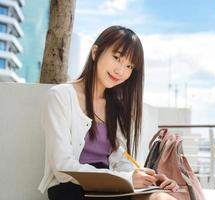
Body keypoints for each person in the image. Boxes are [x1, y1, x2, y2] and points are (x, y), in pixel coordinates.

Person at [38, 25, 178, 200]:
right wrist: (127, 178)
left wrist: (148, 179)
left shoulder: (117, 107)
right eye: (117, 57)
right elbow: (62, 167)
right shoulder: (61, 96)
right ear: (95, 52)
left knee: (163, 197)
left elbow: (121, 162)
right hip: (71, 189)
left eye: (129, 66)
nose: (121, 71)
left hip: (112, 189)